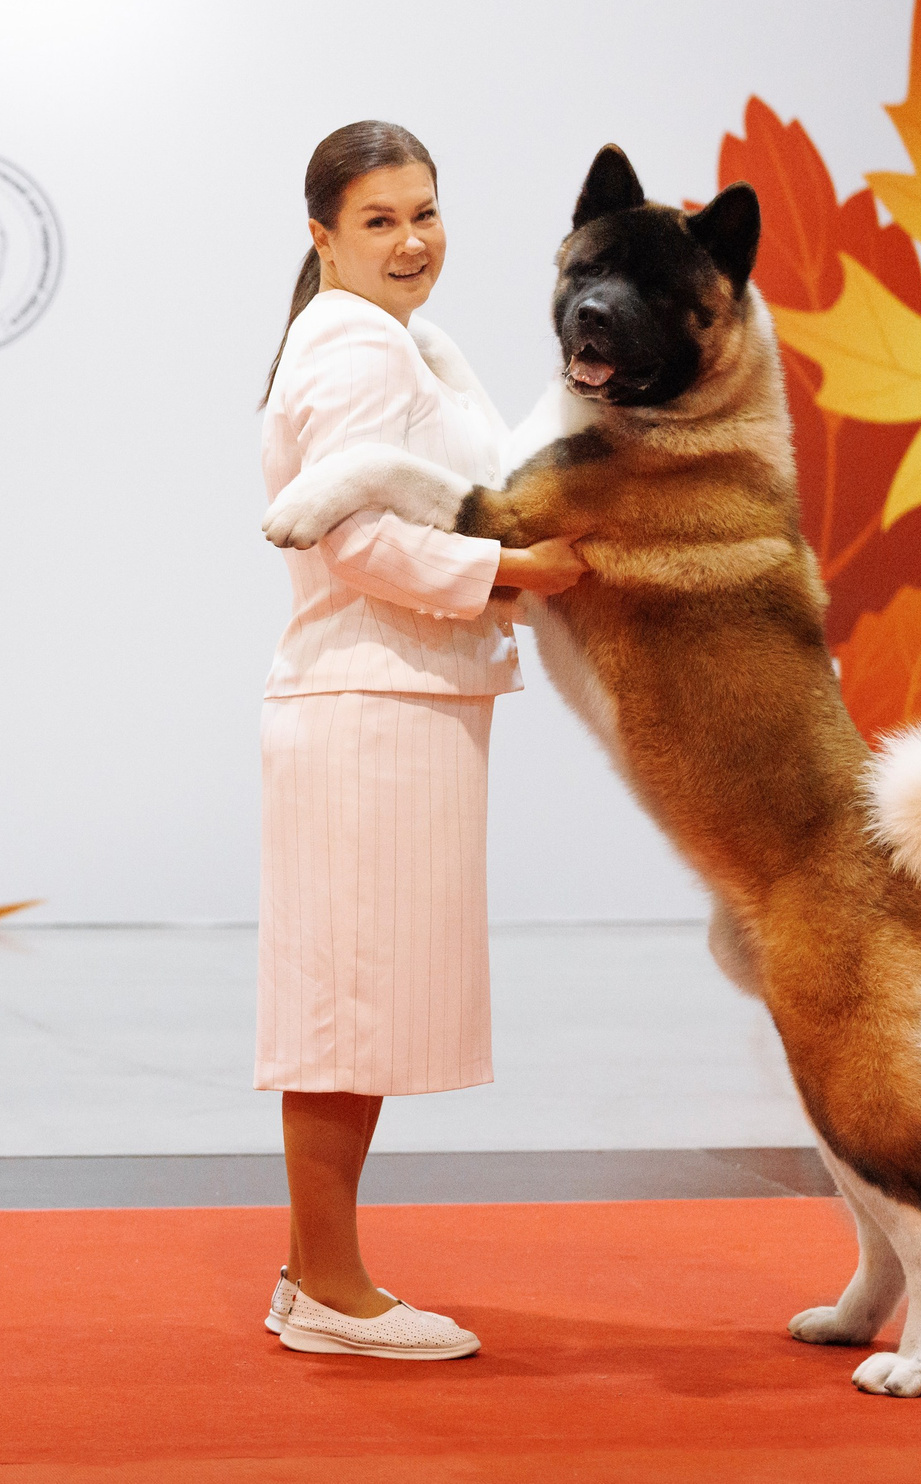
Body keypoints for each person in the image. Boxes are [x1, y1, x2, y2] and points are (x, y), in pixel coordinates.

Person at [255, 120, 584, 1360]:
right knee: (346, 1005)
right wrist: (517, 568)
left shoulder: (408, 340)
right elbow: (350, 537)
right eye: (380, 220)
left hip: (404, 700)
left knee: (363, 998)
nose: (410, 240)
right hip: (366, 702)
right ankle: (331, 1291)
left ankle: (309, 1276)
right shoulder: (348, 338)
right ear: (322, 236)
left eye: (424, 213)